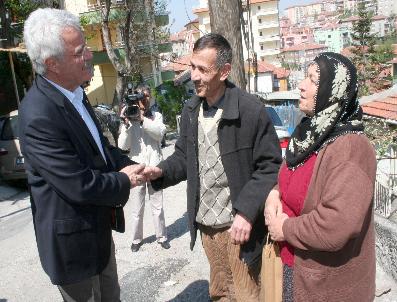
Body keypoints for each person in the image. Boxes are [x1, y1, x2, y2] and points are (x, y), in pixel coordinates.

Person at [19, 8, 146, 301]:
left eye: (86, 46)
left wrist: (132, 166)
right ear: (52, 64)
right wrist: (124, 181)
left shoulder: (75, 91)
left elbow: (100, 150)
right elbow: (78, 184)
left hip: (98, 234)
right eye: (79, 51)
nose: (89, 54)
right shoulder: (38, 113)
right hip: (73, 251)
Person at [144, 33, 282, 301]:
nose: (194, 76)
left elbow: (270, 166)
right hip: (207, 228)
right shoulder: (191, 110)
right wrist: (160, 171)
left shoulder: (250, 110)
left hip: (239, 229)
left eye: (202, 69)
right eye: (192, 67)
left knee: (247, 294)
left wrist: (245, 212)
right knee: (219, 292)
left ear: (224, 71)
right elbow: (184, 157)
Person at [265, 52, 377, 302]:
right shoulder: (310, 134)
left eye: (313, 80)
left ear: (333, 91)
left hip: (327, 287)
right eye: (305, 77)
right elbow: (290, 177)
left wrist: (284, 228)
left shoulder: (351, 148)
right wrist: (275, 193)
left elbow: (336, 224)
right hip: (295, 270)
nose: (301, 86)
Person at [118, 86, 170, 252]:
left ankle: (162, 237)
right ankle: (136, 239)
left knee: (158, 207)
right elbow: (122, 146)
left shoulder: (156, 116)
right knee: (137, 208)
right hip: (137, 169)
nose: (144, 99)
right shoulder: (129, 119)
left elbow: (159, 134)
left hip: (154, 167)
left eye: (146, 96)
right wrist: (125, 124)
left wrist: (142, 119)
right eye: (141, 97)